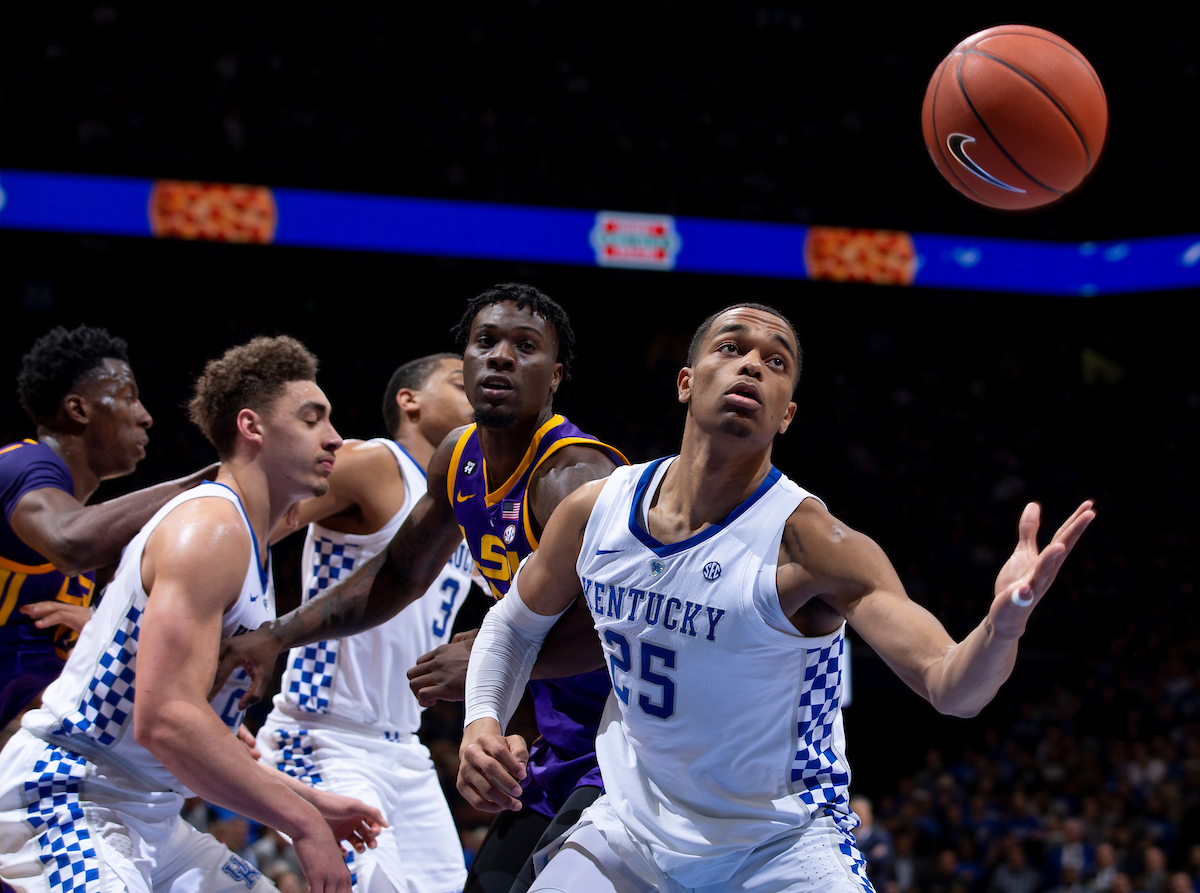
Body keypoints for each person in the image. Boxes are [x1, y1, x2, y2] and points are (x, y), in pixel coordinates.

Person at [457, 302, 1094, 893]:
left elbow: (954, 688)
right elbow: (512, 627)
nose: (752, 365)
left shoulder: (815, 545)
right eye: (731, 348)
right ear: (686, 381)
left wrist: (1001, 628)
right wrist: (481, 719)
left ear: (786, 414)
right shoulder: (598, 508)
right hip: (632, 828)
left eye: (776, 361)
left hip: (781, 847)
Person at [215, 283, 626, 893]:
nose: (501, 357)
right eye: (485, 342)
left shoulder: (575, 477)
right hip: (551, 740)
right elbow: (397, 576)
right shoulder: (458, 458)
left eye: (525, 346)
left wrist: (493, 661)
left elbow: (624, 636)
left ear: (556, 376)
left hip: (627, 743)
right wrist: (276, 636)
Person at [0, 336, 385, 893]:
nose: (335, 438)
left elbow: (188, 729)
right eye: (312, 419)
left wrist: (312, 802)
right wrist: (302, 824)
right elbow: (167, 721)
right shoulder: (210, 527)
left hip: (149, 812)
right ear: (252, 428)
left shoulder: (249, 543)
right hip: (71, 796)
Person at [255, 352, 476, 893]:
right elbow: (241, 520)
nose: (477, 389)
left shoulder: (463, 506)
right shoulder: (373, 462)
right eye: (458, 380)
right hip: (323, 738)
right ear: (410, 401)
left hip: (406, 748)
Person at [1, 324, 218, 742]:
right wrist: (208, 483)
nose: (146, 415)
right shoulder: (22, 465)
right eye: (128, 397)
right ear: (79, 410)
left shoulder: (85, 544)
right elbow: (69, 543)